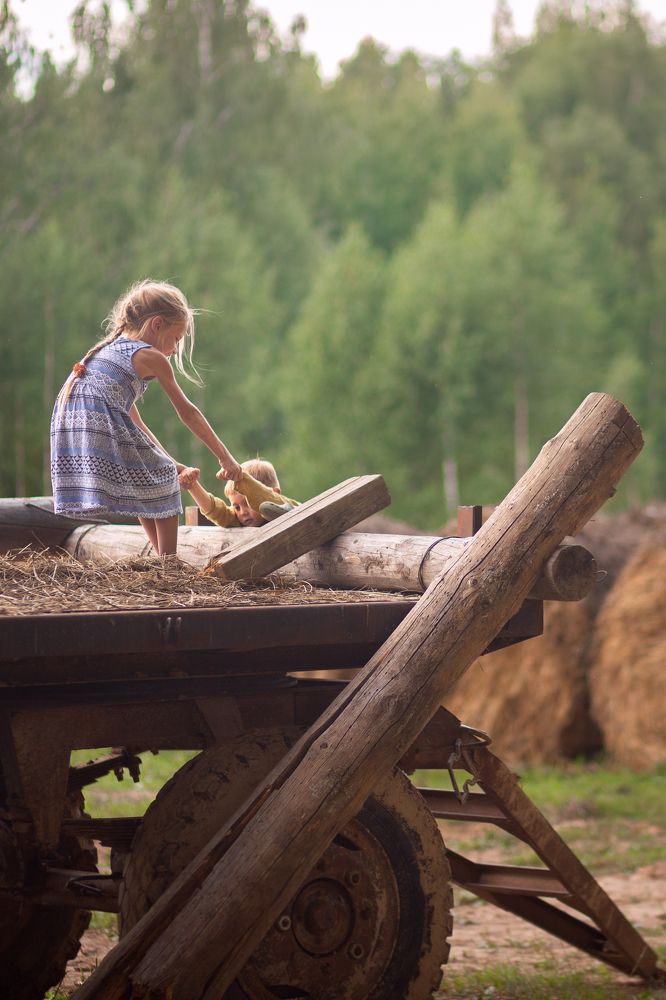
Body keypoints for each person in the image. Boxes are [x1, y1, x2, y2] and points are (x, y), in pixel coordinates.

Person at [50, 279, 242, 557]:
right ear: (157, 325)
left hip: (71, 418)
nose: (175, 349)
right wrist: (225, 457)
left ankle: (161, 561)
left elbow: (134, 424)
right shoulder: (150, 356)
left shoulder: (111, 349)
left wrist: (171, 461)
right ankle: (170, 564)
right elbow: (187, 411)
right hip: (94, 418)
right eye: (176, 338)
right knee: (162, 479)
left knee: (147, 479)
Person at [179, 458, 298, 527]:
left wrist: (242, 479)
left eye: (248, 503)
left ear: (275, 493)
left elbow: (267, 497)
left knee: (268, 505)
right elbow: (217, 511)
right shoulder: (238, 520)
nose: (243, 512)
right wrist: (193, 486)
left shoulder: (288, 506)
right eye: (237, 507)